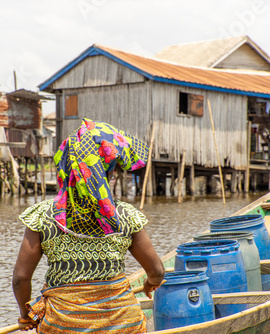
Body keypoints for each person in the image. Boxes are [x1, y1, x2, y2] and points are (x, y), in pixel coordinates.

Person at [12, 118, 165, 333]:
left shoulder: (43, 216)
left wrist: (25, 314)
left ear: (65, 167)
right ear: (109, 174)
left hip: (63, 325)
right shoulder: (126, 216)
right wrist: (150, 284)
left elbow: (21, 278)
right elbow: (157, 271)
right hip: (122, 325)